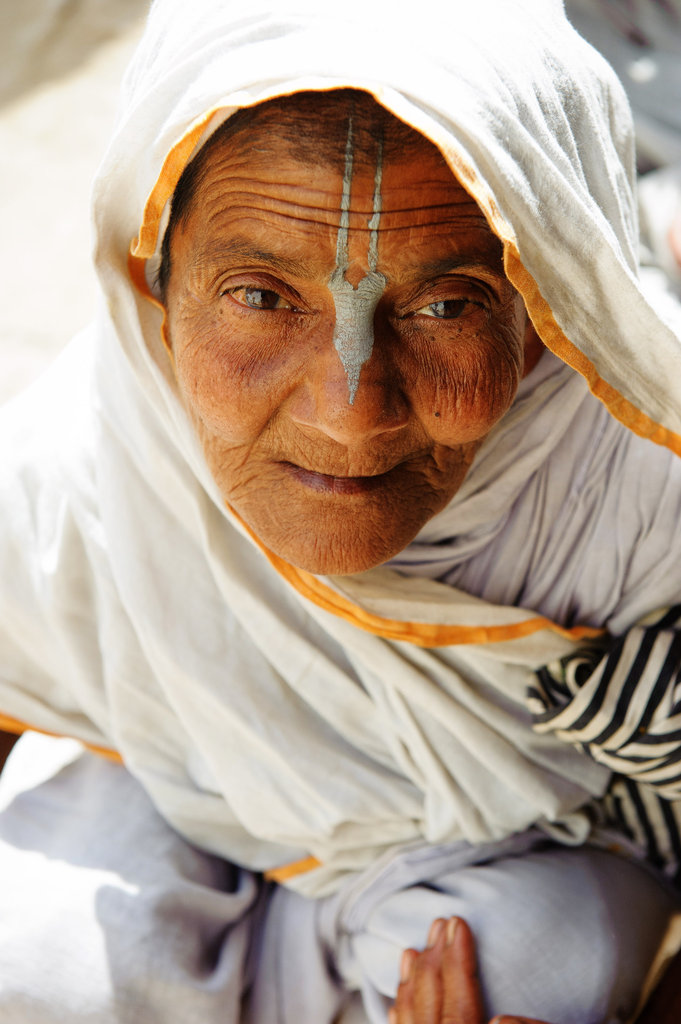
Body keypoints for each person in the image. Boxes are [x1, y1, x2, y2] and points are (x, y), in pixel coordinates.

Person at [2, 0, 681, 1021]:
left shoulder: (639, 474)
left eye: (446, 305)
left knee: (546, 974)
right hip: (173, 783)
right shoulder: (88, 457)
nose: (352, 414)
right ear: (157, 276)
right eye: (262, 296)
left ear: (552, 309)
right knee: (38, 965)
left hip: (500, 858)